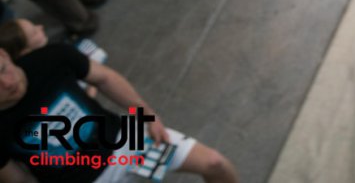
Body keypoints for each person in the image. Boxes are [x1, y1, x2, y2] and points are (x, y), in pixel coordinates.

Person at [0, 44, 239, 182]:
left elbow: (104, 78)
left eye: (3, 70)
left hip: (124, 142)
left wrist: (145, 114)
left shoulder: (51, 58)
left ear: (4, 54)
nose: (7, 83)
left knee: (215, 163)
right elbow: (16, 179)